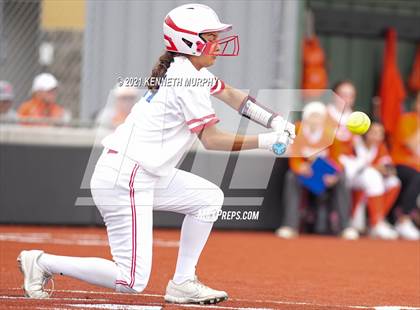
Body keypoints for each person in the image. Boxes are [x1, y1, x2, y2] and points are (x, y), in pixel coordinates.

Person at [16, 4, 295, 305]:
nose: (218, 43)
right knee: (131, 280)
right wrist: (268, 142)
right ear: (189, 41)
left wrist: (275, 120)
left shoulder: (188, 72)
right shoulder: (186, 79)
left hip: (140, 172)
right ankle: (42, 262)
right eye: (211, 37)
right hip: (128, 176)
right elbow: (212, 140)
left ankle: (183, 282)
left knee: (208, 198)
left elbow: (231, 94)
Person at [276, 101, 358, 240]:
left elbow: (337, 158)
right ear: (306, 118)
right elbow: (294, 155)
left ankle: (346, 227)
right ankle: (290, 226)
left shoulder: (330, 132)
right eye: (312, 116)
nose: (315, 120)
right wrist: (300, 167)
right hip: (306, 172)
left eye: (319, 116)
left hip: (325, 174)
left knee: (342, 178)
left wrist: (333, 175)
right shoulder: (296, 130)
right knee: (291, 177)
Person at [350, 122, 402, 239]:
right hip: (351, 182)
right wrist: (375, 167)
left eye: (380, 134)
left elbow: (390, 169)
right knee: (372, 175)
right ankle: (376, 223)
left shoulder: (380, 147)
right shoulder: (354, 143)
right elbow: (354, 168)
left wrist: (374, 167)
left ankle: (377, 221)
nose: (377, 137)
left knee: (394, 182)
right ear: (365, 132)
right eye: (373, 133)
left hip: (371, 183)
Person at [390, 91, 420, 240]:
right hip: (402, 164)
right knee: (417, 177)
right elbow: (412, 145)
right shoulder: (406, 119)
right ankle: (404, 219)